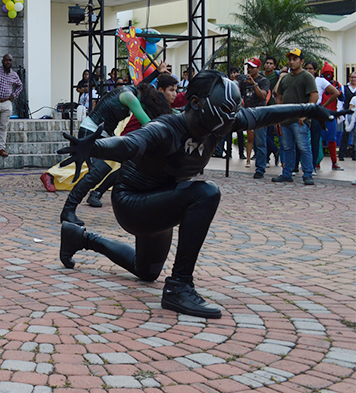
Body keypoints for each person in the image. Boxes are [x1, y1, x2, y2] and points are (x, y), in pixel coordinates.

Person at [57, 69, 348, 318]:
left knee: (146, 271)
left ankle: (81, 237)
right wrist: (93, 147)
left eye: (229, 117)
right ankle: (179, 286)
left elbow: (263, 114)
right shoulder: (167, 128)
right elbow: (130, 144)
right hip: (132, 203)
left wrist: (310, 110)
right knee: (205, 193)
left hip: (164, 200)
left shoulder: (220, 122)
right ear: (195, 103)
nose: (225, 125)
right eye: (222, 115)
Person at [52, 83, 172, 224]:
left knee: (127, 164)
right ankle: (68, 210)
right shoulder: (130, 97)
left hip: (102, 134)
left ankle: (97, 197)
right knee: (97, 173)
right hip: (91, 132)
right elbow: (147, 123)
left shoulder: (131, 91)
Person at [273, 49, 319, 185]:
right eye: (290, 59)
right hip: (286, 119)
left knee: (304, 147)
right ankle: (287, 173)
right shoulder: (285, 78)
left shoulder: (306, 76)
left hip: (300, 120)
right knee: (287, 148)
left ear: (302, 61)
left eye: (295, 59)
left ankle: (308, 174)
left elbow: (314, 96)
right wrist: (278, 117)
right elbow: (279, 98)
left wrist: (305, 115)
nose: (292, 62)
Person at [238, 58, 271, 178]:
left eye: (252, 67)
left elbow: (263, 96)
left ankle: (260, 169)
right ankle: (247, 159)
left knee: (260, 141)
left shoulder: (263, 81)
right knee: (250, 138)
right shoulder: (244, 81)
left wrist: (254, 84)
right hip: (247, 112)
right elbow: (239, 95)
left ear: (258, 68)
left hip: (260, 113)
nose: (249, 69)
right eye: (248, 67)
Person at [315, 62, 343, 171]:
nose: (328, 76)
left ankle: (334, 162)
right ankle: (317, 162)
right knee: (319, 139)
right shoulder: (319, 84)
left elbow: (341, 99)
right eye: (326, 74)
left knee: (332, 140)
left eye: (329, 73)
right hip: (321, 115)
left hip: (331, 115)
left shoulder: (336, 85)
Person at [261, 56, 282, 166]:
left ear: (274, 66)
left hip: (273, 107)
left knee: (269, 132)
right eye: (267, 63)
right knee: (264, 133)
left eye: (271, 63)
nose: (268, 65)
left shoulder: (277, 75)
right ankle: (273, 151)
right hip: (262, 107)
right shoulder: (260, 75)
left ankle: (269, 155)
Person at [342, 71, 356, 161]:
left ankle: (354, 155)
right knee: (345, 134)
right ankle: (341, 154)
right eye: (352, 77)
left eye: (355, 77)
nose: (353, 79)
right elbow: (341, 101)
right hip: (348, 114)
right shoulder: (344, 88)